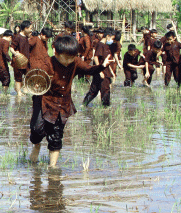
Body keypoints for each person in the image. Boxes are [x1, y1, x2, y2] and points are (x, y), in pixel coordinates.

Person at [30, 36, 110, 167]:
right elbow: (36, 79)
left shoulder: (75, 62)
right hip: (44, 101)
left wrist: (102, 66)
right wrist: (37, 84)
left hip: (62, 103)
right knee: (37, 130)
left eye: (71, 57)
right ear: (56, 53)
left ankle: (52, 167)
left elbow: (88, 69)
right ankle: (37, 146)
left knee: (56, 134)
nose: (69, 61)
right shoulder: (47, 63)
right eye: (65, 58)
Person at [82, 29, 113, 106]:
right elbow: (95, 58)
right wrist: (100, 71)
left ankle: (84, 104)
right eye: (112, 38)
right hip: (101, 72)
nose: (112, 40)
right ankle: (106, 107)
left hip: (104, 71)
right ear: (107, 36)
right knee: (105, 90)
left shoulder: (105, 46)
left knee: (94, 90)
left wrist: (112, 73)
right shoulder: (100, 45)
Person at [10, 21, 32, 97]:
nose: (31, 30)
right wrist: (15, 53)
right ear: (25, 28)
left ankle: (23, 89)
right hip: (19, 61)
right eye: (30, 28)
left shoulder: (27, 37)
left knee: (27, 76)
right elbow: (12, 48)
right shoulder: (18, 37)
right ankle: (19, 92)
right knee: (18, 78)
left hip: (26, 61)